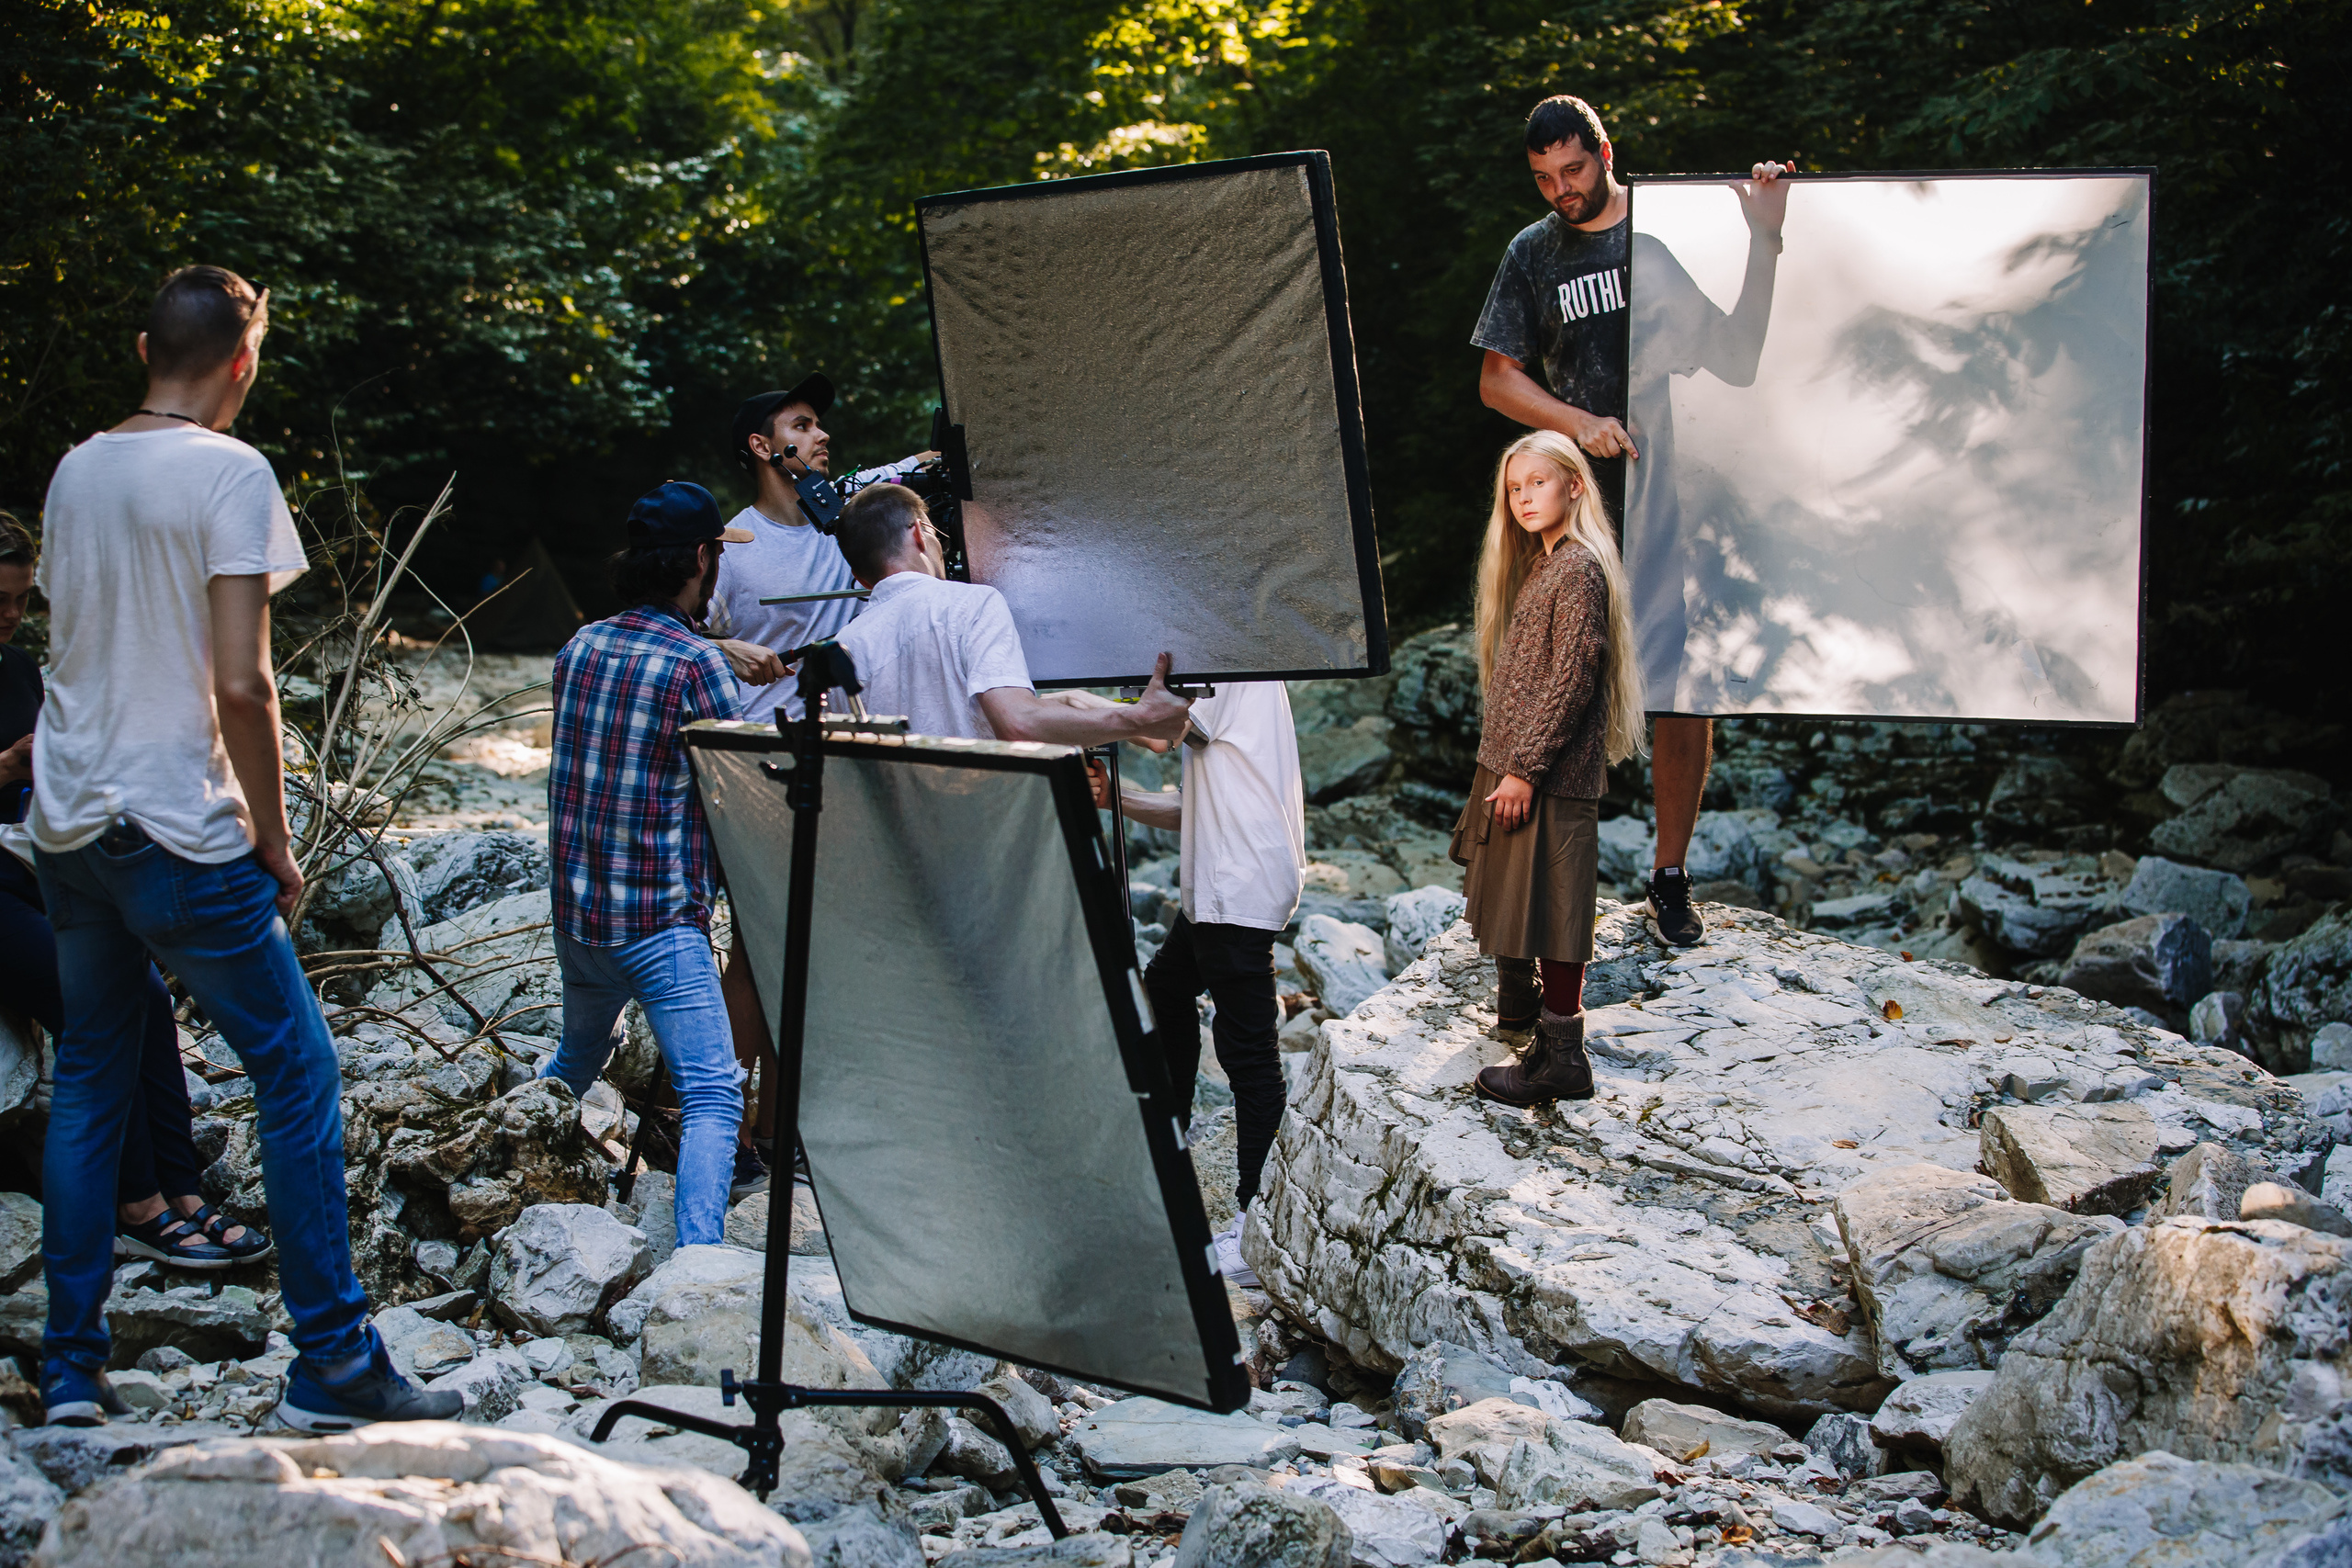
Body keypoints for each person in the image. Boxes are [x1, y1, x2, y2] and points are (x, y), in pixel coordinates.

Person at [30, 265, 461, 1428]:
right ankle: (334, 1362)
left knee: (90, 1085)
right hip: (177, 824)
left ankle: (69, 1370)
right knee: (298, 1071)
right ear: (242, 358)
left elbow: (74, 641)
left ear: (141, 349)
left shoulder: (76, 468)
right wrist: (272, 838)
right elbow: (242, 680)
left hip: (70, 823)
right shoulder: (232, 473)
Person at [1474, 93, 1785, 948]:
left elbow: (1740, 359)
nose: (1561, 190)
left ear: (1605, 151)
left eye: (1573, 170)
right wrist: (1576, 423)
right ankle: (1548, 884)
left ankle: (1669, 876)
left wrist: (1763, 237)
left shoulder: (1656, 237)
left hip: (1670, 494)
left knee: (1679, 690)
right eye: (1543, 178)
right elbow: (1496, 379)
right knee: (1560, 682)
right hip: (1574, 507)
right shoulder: (1532, 253)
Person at [0, 515, 272, 1272]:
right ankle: (136, 1202)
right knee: (94, 1006)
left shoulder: (18, 668)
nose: (11, 615)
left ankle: (181, 1191)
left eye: (22, 599)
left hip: (34, 864)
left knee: (148, 995)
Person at [706, 378, 929, 1197]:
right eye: (801, 424)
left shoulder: (846, 529)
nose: (821, 432)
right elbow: (673, 623)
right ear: (765, 449)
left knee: (807, 947)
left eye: (819, 420)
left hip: (839, 758)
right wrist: (728, 653)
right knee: (757, 949)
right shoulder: (730, 543)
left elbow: (918, 476)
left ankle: (775, 1131)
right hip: (758, 760)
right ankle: (724, 1129)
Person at [538, 480, 752, 1251]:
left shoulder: (579, 646)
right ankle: (699, 1259)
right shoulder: (697, 665)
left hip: (578, 917)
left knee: (578, 1053)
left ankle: (517, 1145)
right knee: (715, 1093)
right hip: (658, 922)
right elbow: (741, 794)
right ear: (701, 558)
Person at [1453, 432, 1647, 1105]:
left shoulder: (1579, 567)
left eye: (1538, 482)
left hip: (1550, 773)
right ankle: (1520, 1009)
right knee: (1513, 885)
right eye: (1514, 487)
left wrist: (1527, 769)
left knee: (1559, 901)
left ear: (1573, 484)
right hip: (1514, 763)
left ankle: (1563, 1055)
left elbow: (1573, 676)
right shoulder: (1545, 563)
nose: (1525, 496)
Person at [1101, 682, 1303, 1286]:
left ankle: (1256, 1224)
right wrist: (1117, 796)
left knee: (1249, 1055)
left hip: (1235, 887)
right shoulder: (1231, 664)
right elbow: (1189, 807)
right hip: (1221, 884)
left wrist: (1073, 709)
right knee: (1165, 986)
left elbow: (1157, 728)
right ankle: (1172, 1145)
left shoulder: (1227, 663)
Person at [830, 483, 1194, 748]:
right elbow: (1018, 724)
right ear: (920, 534)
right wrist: (1137, 718)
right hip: (985, 832)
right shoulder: (970, 604)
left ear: (861, 578)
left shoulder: (841, 648)